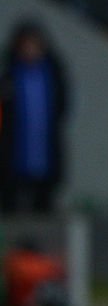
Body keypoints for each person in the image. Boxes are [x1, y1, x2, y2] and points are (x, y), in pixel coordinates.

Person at [0, 20, 70, 214]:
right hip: (15, 151)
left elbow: (62, 108)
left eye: (34, 45)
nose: (30, 50)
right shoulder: (10, 76)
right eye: (26, 45)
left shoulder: (52, 75)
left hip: (44, 150)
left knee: (43, 205)